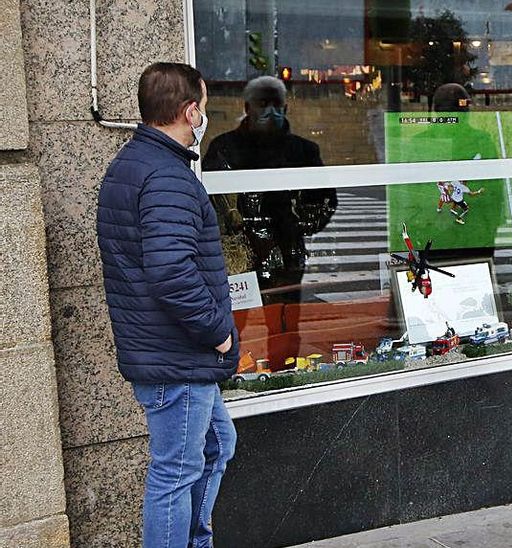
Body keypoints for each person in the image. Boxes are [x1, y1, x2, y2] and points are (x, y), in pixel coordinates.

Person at [96, 62, 238, 547]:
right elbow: (172, 273)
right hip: (178, 356)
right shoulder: (166, 176)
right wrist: (218, 332)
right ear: (189, 110)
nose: (205, 119)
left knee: (219, 444)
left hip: (171, 354)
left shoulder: (136, 163)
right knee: (175, 475)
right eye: (203, 108)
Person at [203, 76, 335, 372]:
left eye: (277, 105)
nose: (270, 112)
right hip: (238, 258)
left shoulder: (303, 150)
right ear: (247, 107)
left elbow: (326, 201)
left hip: (286, 256)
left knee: (285, 326)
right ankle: (233, 379)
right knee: (234, 326)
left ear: (286, 108)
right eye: (263, 104)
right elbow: (210, 206)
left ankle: (284, 376)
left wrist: (296, 223)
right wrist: (232, 234)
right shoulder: (224, 148)